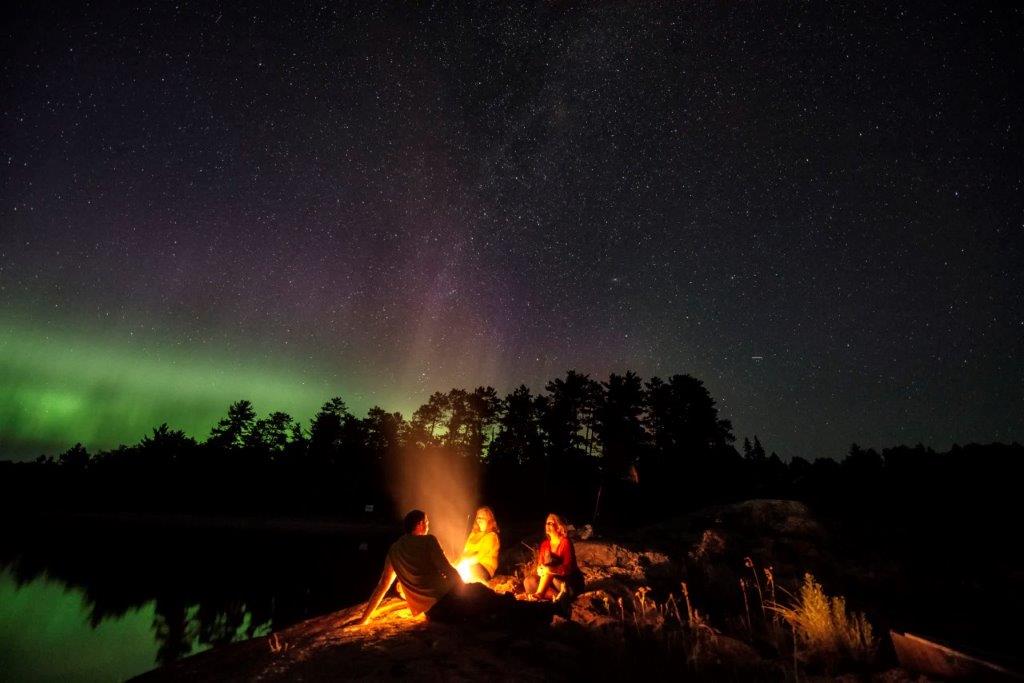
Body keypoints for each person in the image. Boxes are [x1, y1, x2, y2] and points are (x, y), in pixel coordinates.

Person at [360, 509, 552, 626]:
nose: (428, 525)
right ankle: (544, 612)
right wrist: (463, 588)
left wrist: (365, 618)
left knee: (486, 607)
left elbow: (382, 587)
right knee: (491, 600)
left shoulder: (393, 550)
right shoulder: (428, 541)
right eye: (426, 522)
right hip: (447, 600)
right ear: (419, 524)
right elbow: (447, 570)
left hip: (431, 613)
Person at [524, 513, 585, 602]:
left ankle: (540, 594)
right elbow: (540, 565)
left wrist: (551, 569)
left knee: (551, 565)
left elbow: (569, 567)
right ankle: (558, 597)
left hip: (568, 582)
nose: (547, 525)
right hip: (552, 583)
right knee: (528, 581)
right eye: (546, 523)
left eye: (550, 523)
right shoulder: (545, 544)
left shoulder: (565, 542)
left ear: (559, 527)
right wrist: (540, 570)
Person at [458, 506, 500, 584]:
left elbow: (479, 556)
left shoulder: (491, 536)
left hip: (484, 568)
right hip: (468, 564)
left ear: (489, 519)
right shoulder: (473, 534)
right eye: (478, 517)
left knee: (464, 571)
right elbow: (465, 551)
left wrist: (463, 563)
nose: (479, 520)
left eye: (482, 517)